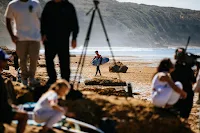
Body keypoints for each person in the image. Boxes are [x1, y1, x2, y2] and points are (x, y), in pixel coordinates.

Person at [41, 0, 79, 85]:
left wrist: (74, 38)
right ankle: (52, 78)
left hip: (63, 39)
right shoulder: (49, 5)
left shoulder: (69, 6)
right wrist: (43, 34)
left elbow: (74, 23)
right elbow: (43, 21)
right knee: (49, 59)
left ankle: (65, 80)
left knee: (64, 61)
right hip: (49, 39)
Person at [4, 0, 41, 86]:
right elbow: (7, 19)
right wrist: (12, 35)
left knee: (34, 58)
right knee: (22, 59)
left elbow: (41, 19)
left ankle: (32, 78)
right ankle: (24, 79)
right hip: (20, 37)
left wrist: (43, 33)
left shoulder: (36, 3)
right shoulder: (12, 4)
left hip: (35, 37)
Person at [0, 49, 28, 133]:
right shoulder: (0, 80)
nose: (7, 62)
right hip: (2, 112)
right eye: (5, 60)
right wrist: (10, 107)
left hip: (3, 108)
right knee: (24, 116)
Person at [171, 48, 196, 120]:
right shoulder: (188, 69)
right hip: (187, 94)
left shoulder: (172, 68)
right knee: (184, 115)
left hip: (175, 93)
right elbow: (194, 81)